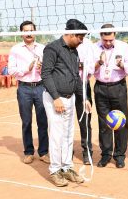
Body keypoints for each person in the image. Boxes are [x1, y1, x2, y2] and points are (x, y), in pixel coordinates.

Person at [41, 19, 91, 187]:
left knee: (69, 134)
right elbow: (46, 74)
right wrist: (55, 98)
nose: (81, 41)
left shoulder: (74, 51)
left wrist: (84, 98)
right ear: (70, 34)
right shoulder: (52, 48)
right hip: (55, 99)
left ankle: (67, 167)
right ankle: (55, 170)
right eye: (80, 37)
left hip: (71, 98)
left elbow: (76, 77)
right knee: (57, 135)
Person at [93, 24, 128, 168]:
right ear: (101, 36)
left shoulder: (124, 47)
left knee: (121, 122)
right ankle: (105, 154)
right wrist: (99, 62)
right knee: (104, 123)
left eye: (111, 39)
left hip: (118, 87)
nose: (108, 42)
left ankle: (119, 155)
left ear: (115, 35)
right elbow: (89, 69)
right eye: (105, 40)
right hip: (100, 87)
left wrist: (123, 64)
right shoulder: (94, 48)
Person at [8, 21, 49, 165]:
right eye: (26, 31)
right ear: (21, 33)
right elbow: (12, 70)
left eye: (31, 30)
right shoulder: (15, 49)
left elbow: (49, 69)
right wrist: (27, 68)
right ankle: (29, 152)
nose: (29, 33)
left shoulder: (43, 48)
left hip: (40, 87)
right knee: (26, 122)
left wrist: (41, 67)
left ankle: (44, 152)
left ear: (35, 31)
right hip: (24, 88)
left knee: (42, 121)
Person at [76, 37, 96, 165]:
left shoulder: (88, 44)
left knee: (85, 121)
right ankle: (66, 151)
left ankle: (87, 152)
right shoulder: (62, 44)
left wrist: (79, 65)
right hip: (66, 86)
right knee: (64, 121)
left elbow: (91, 67)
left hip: (83, 84)